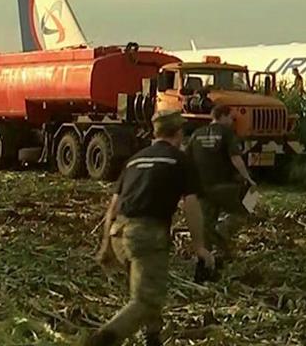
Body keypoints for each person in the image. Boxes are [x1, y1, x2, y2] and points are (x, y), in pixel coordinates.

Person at [88, 110, 214, 346]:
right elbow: (191, 205)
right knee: (145, 301)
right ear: (178, 133)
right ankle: (99, 341)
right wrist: (199, 247)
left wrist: (105, 246)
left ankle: (152, 338)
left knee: (146, 289)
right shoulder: (179, 160)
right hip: (146, 235)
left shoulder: (135, 159)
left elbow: (112, 208)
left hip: (118, 234)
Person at [186, 101, 256, 269]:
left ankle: (207, 259)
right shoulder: (227, 133)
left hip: (202, 188)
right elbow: (235, 158)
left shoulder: (197, 133)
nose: (232, 121)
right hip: (225, 186)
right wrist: (248, 178)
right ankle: (223, 231)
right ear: (222, 116)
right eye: (230, 118)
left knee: (206, 223)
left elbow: (187, 159)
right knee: (248, 207)